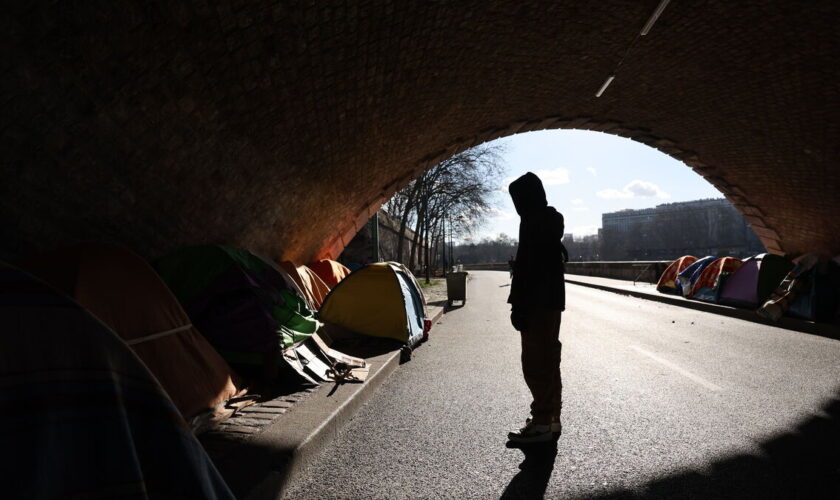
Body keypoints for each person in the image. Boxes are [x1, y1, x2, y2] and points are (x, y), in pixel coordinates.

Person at [506, 172, 569, 444]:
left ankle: (542, 422)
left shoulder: (532, 223)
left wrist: (518, 305)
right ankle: (551, 418)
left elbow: (528, 269)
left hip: (535, 304)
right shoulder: (549, 221)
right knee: (549, 360)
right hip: (550, 302)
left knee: (535, 363)